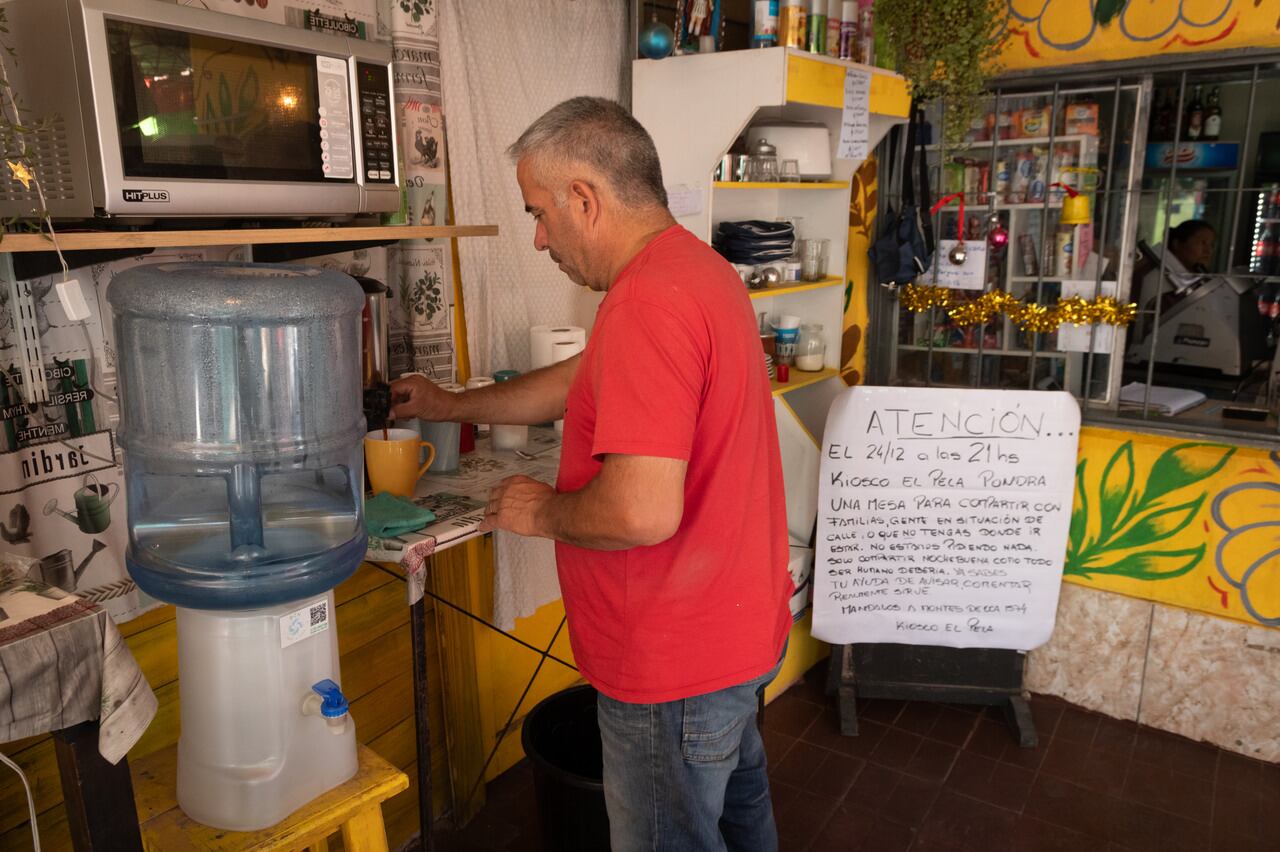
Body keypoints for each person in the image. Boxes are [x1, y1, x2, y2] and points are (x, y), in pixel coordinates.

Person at [389, 97, 793, 851]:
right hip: (734, 633)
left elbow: (641, 512)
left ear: (586, 198)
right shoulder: (694, 270)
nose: (540, 238)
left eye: (540, 212)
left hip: (673, 662)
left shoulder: (648, 300)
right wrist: (453, 403)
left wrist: (539, 511)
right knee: (741, 832)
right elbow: (581, 378)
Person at [1132, 219, 1216, 340]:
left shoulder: (1187, 279)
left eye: (1211, 245)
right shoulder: (1151, 272)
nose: (1208, 251)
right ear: (1177, 244)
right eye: (1202, 243)